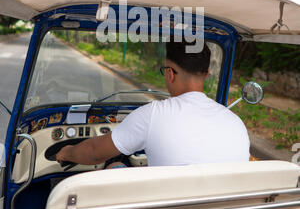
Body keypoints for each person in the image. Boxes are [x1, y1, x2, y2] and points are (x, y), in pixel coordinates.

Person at [56, 39, 250, 167]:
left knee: (114, 166)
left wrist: (66, 152)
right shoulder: (236, 123)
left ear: (170, 73)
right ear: (206, 74)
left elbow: (94, 153)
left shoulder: (153, 114)